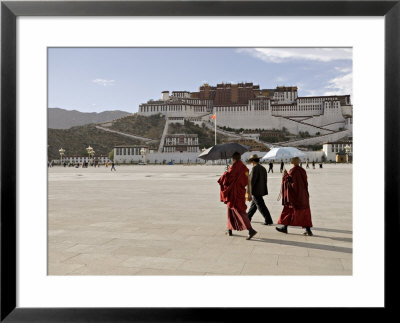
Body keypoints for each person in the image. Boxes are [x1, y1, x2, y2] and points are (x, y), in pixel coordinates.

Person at [218, 152, 257, 240]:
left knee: (239, 211)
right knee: (230, 210)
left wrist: (225, 173)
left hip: (233, 193)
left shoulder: (233, 168)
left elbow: (226, 181)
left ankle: (250, 230)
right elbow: (246, 180)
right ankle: (229, 229)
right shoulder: (244, 168)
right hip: (240, 192)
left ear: (233, 158)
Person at [276, 157, 313, 236]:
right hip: (303, 195)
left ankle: (285, 228)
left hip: (294, 196)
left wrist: (285, 174)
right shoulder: (302, 170)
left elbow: (290, 183)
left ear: (292, 162)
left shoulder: (292, 171)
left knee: (289, 211)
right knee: (305, 213)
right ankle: (308, 230)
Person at [247, 154, 273, 225]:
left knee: (261, 206)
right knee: (254, 205)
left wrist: (249, 192)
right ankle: (247, 217)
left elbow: (252, 181)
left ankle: (268, 220)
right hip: (261, 189)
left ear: (252, 161)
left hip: (256, 191)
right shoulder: (263, 168)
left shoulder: (255, 168)